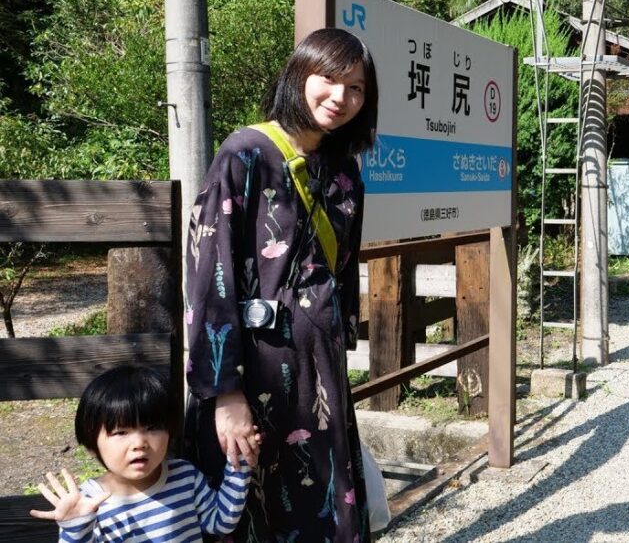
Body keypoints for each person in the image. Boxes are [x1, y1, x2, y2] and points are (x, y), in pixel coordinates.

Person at [184, 27, 378, 542]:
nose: (341, 97)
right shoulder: (245, 154)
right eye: (330, 79)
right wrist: (224, 392)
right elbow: (209, 275)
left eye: (357, 88)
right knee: (245, 510)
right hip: (253, 367)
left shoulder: (345, 172)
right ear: (299, 75)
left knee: (321, 507)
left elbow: (342, 267)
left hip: (318, 371)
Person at [30, 365, 253, 542]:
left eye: (152, 428)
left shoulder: (184, 476)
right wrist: (76, 527)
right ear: (91, 445)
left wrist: (240, 460)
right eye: (121, 432)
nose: (139, 443)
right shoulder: (86, 503)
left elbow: (220, 522)